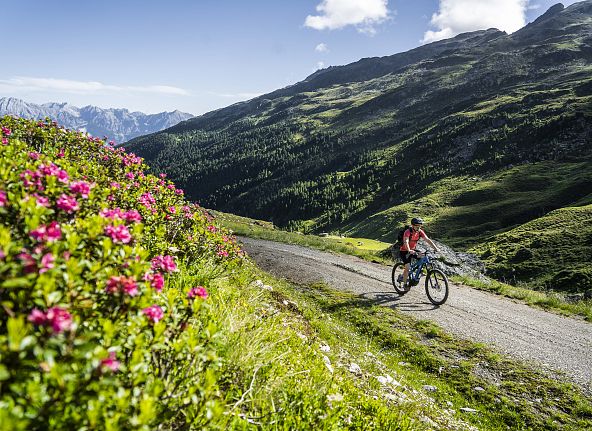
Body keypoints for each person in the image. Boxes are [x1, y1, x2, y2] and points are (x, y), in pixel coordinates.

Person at [399, 217, 439, 286]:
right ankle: (405, 284)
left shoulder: (420, 232)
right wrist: (409, 250)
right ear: (413, 225)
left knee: (423, 257)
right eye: (417, 226)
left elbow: (427, 239)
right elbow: (406, 241)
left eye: (420, 226)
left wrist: (436, 248)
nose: (418, 227)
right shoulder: (407, 232)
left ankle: (417, 272)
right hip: (404, 251)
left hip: (413, 250)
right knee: (407, 267)